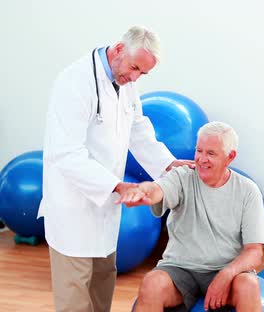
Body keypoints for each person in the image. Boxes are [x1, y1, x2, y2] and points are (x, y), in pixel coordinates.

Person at [39, 26, 194, 312]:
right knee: (75, 296)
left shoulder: (127, 82)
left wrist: (167, 163)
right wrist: (117, 185)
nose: (135, 78)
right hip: (73, 207)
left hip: (105, 209)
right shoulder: (75, 81)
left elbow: (138, 129)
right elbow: (66, 153)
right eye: (135, 68)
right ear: (120, 49)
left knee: (102, 285)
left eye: (142, 74)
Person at [117, 121, 264, 312]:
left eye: (211, 153)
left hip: (225, 267)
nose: (201, 159)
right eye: (199, 151)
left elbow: (254, 251)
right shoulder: (182, 176)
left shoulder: (248, 191)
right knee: (152, 283)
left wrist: (226, 274)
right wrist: (143, 190)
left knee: (248, 285)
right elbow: (158, 189)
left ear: (230, 157)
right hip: (180, 268)